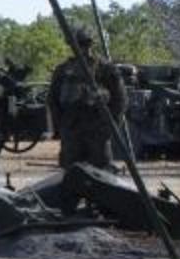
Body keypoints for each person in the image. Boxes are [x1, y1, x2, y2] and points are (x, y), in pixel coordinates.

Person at [48, 26, 127, 172]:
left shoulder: (105, 68)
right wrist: (61, 127)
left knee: (101, 173)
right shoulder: (63, 70)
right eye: (78, 44)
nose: (81, 48)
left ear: (90, 45)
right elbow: (53, 101)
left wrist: (111, 127)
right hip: (72, 129)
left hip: (97, 130)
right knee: (72, 173)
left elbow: (119, 100)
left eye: (84, 44)